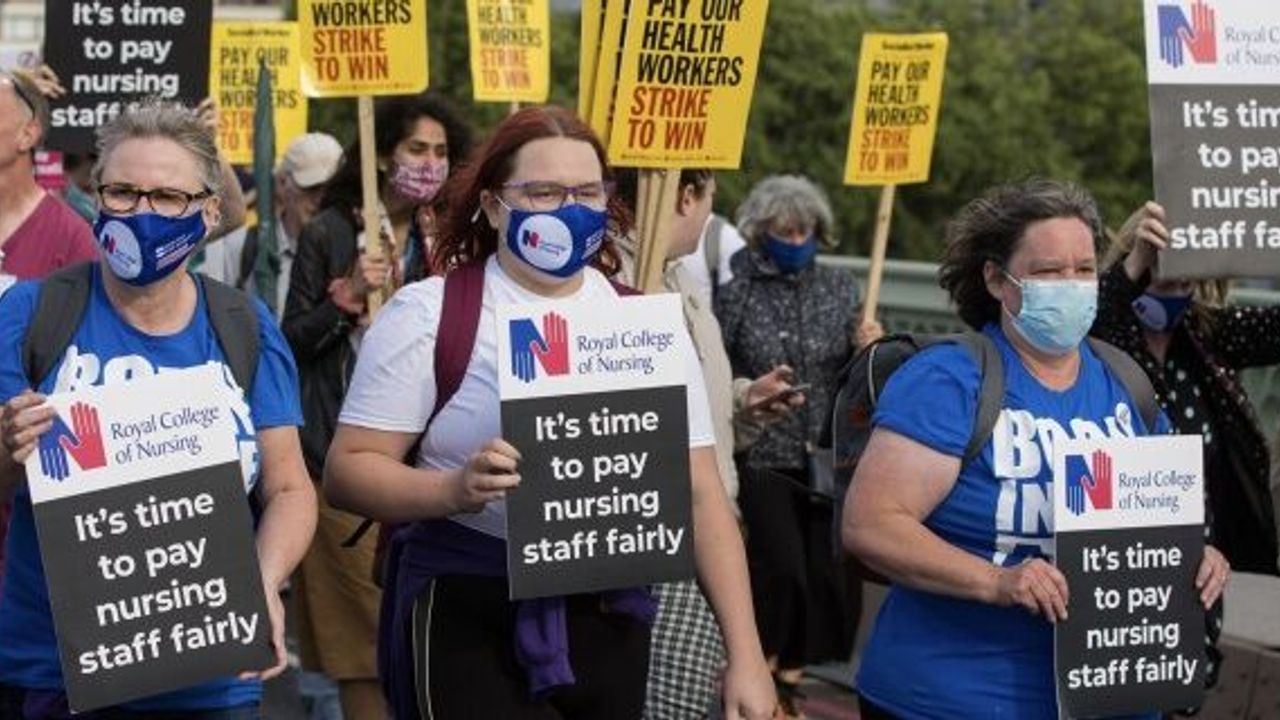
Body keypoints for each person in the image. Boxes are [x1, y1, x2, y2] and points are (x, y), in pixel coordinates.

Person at [323, 105, 776, 720]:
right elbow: (349, 471)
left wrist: (745, 652)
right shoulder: (430, 314)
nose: (569, 207)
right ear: (491, 204)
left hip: (610, 616)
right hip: (469, 611)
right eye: (542, 192)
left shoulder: (643, 323)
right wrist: (452, 489)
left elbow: (699, 493)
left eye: (587, 191)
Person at [842, 179, 1231, 719]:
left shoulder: (1127, 384)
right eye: (1049, 271)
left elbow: (1164, 526)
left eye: (1084, 269)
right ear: (998, 280)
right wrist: (998, 582)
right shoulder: (950, 380)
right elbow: (872, 525)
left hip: (1109, 699)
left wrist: (1198, 558)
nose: (1071, 285)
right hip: (954, 699)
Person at [0, 100, 315, 717]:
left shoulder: (243, 325)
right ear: (95, 199)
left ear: (210, 212)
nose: (142, 214)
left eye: (168, 198)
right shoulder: (31, 315)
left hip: (215, 673)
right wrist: (7, 449)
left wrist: (263, 584)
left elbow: (289, 488)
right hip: (56, 673)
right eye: (122, 192)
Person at [281, 91, 470, 720]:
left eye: (442, 151)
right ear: (385, 154)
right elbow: (291, 342)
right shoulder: (331, 231)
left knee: (412, 630)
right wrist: (348, 299)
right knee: (361, 640)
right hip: (345, 457)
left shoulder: (442, 234)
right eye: (417, 147)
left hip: (432, 460)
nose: (430, 161)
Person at [1092, 200, 1280, 697]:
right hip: (1110, 564)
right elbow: (1088, 326)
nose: (1173, 292)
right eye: (1160, 277)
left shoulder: (1206, 339)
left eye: (1186, 280)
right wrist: (1136, 265)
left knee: (1168, 693)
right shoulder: (1098, 338)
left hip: (1194, 569)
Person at [714, 174, 881, 717]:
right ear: (763, 232)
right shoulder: (736, 290)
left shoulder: (838, 288)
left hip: (825, 453)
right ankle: (758, 674)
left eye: (805, 228)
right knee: (779, 568)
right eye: (785, 229)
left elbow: (858, 376)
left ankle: (789, 677)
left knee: (828, 576)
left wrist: (867, 347)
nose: (796, 237)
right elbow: (718, 364)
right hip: (764, 451)